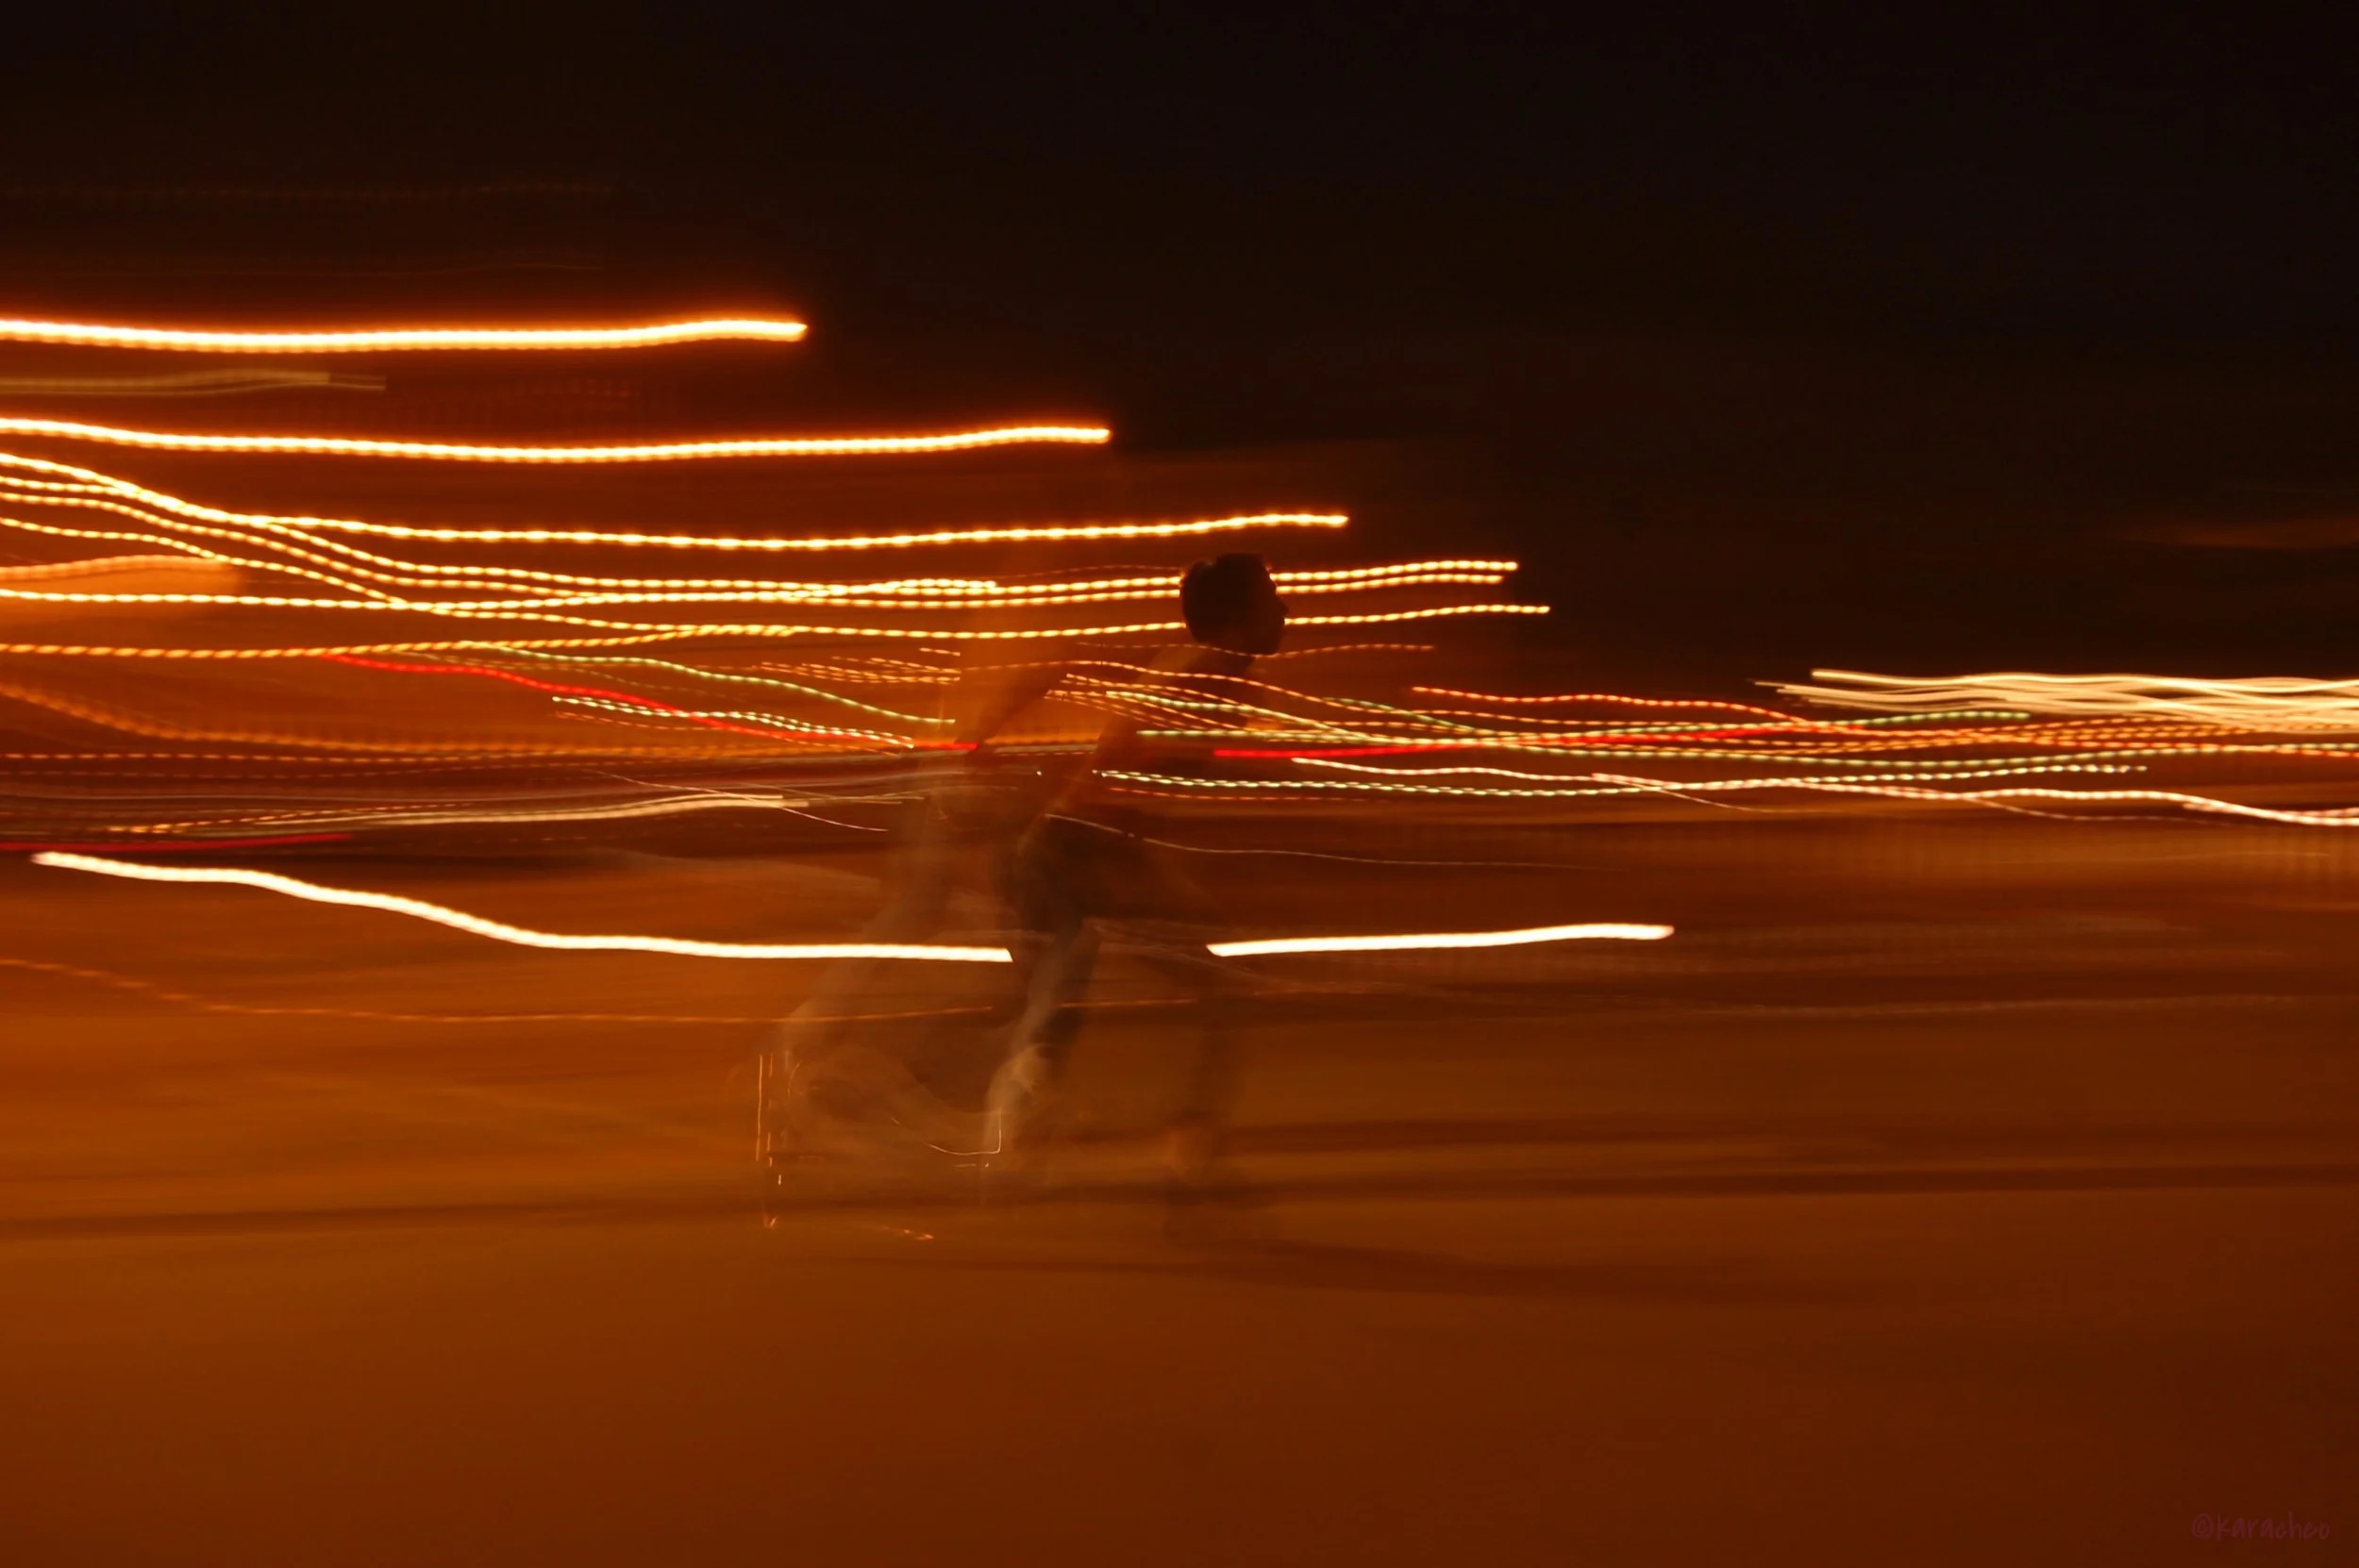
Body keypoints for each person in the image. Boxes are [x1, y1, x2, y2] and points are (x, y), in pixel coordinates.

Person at [981, 552, 1286, 1190]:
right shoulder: (1207, 676)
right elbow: (1120, 764)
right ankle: (1188, 1149)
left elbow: (1133, 767)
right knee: (1220, 991)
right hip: (1081, 850)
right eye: (1270, 597)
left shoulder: (1211, 671)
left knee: (1057, 1010)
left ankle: (1016, 1135)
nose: (1284, 610)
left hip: (1066, 849)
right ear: (1236, 616)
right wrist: (1129, 859)